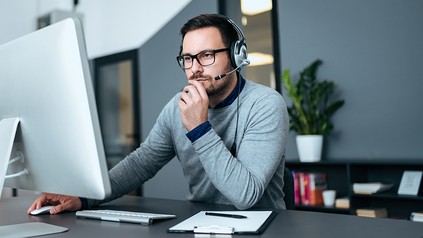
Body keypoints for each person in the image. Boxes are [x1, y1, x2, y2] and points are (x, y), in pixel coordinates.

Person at [28, 13, 289, 214]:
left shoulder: (265, 105)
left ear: (235, 55)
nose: (194, 68)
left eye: (207, 55)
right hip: (201, 222)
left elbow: (246, 196)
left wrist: (200, 128)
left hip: (263, 226)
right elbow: (142, 162)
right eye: (188, 58)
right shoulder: (177, 107)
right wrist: (84, 197)